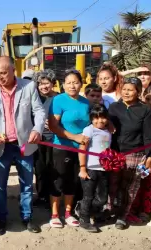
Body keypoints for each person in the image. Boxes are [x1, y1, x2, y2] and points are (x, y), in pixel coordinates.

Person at [0, 56, 46, 235]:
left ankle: (27, 218)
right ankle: (1, 220)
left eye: (4, 73)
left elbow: (39, 111)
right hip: (2, 146)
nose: (0, 77)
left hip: (24, 144)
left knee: (26, 184)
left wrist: (37, 129)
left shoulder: (28, 87)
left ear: (13, 71)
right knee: (0, 186)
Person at [108, 77, 151, 230]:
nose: (126, 92)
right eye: (124, 89)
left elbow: (149, 136)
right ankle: (111, 211)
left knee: (130, 187)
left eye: (131, 90)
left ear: (138, 92)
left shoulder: (145, 110)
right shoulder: (114, 107)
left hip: (135, 154)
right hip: (114, 155)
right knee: (113, 185)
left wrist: (150, 157)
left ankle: (122, 216)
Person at [48, 69, 91, 228]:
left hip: (80, 149)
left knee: (72, 181)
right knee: (58, 180)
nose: (72, 85)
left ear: (81, 84)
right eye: (69, 82)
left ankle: (68, 212)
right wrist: (74, 137)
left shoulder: (86, 102)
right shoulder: (58, 100)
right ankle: (54, 214)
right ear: (63, 85)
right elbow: (53, 125)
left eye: (76, 82)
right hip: (61, 146)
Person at [76, 104, 111, 233]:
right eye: (95, 118)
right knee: (88, 196)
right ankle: (84, 220)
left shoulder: (108, 131)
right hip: (90, 168)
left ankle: (84, 209)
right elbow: (82, 149)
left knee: (102, 197)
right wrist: (83, 168)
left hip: (104, 169)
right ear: (91, 119)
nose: (99, 121)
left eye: (102, 118)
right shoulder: (89, 130)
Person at [32, 69, 58, 207]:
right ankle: (41, 195)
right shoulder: (35, 97)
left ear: (53, 83)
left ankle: (53, 196)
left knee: (53, 168)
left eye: (46, 83)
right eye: (41, 84)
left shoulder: (60, 98)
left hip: (55, 139)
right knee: (40, 168)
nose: (44, 87)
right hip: (38, 139)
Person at [131, 85, 151, 224]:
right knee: (141, 182)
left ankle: (146, 210)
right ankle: (135, 209)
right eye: (148, 99)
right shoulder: (141, 113)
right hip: (143, 155)